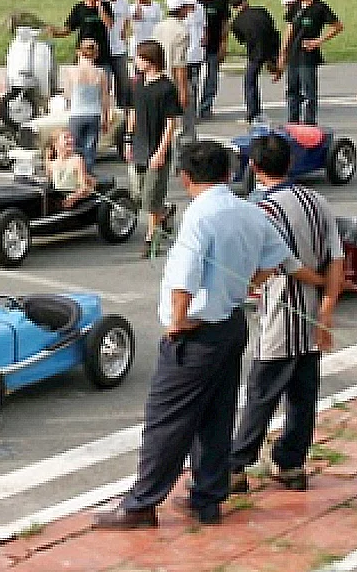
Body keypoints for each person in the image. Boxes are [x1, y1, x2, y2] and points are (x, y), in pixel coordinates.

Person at [93, 141, 297, 529]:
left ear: (185, 177)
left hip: (197, 330)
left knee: (167, 419)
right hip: (231, 323)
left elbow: (185, 275)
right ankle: (207, 498)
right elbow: (277, 258)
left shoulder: (199, 216)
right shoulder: (249, 211)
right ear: (228, 174)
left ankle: (141, 504)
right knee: (216, 417)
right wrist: (244, 287)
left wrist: (179, 321)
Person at [229, 134, 344, 496]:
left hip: (281, 314)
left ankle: (236, 465)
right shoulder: (318, 201)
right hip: (312, 315)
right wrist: (325, 310)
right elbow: (337, 258)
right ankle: (291, 463)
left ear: (256, 167)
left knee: (261, 394)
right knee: (302, 396)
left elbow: (280, 264)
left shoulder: (262, 209)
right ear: (291, 163)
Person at [127, 40, 182, 258]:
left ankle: (151, 239)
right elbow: (133, 112)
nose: (136, 61)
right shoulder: (138, 83)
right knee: (138, 195)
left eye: (139, 58)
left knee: (151, 197)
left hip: (156, 148)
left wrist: (161, 151)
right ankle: (164, 212)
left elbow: (171, 123)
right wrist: (128, 139)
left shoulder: (166, 87)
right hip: (139, 145)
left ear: (151, 60)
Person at [278, 0, 344, 125]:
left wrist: (318, 41)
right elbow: (289, 28)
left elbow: (337, 26)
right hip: (293, 54)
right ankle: (292, 121)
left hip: (308, 56)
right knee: (292, 90)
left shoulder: (319, 7)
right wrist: (283, 52)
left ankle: (309, 122)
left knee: (308, 92)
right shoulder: (295, 6)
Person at [229, 0, 280, 124]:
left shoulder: (236, 23)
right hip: (271, 48)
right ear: (245, 0)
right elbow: (272, 29)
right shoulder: (262, 11)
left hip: (254, 54)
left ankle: (253, 113)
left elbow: (243, 40)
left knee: (250, 82)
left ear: (234, 7)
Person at [48, 0, 116, 76]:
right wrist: (55, 32)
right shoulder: (79, 9)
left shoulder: (106, 6)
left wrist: (100, 8)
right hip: (84, 54)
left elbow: (109, 24)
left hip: (102, 55)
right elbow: (68, 29)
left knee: (104, 84)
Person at [66, 39, 113, 174]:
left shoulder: (71, 71)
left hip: (76, 114)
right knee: (90, 148)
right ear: (96, 54)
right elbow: (105, 97)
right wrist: (106, 117)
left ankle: (77, 176)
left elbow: (67, 94)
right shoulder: (100, 72)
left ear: (79, 52)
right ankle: (87, 174)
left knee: (75, 148)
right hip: (94, 114)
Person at [152, 0, 193, 145]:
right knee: (182, 129)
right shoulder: (181, 31)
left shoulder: (158, 27)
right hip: (174, 82)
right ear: (181, 9)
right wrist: (183, 91)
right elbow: (179, 65)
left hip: (159, 79)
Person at [195, 0, 232, 121]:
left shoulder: (221, 1)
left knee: (211, 78)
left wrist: (224, 44)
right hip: (197, 46)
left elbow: (225, 24)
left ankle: (206, 107)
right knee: (194, 78)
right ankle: (192, 107)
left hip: (214, 44)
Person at [179, 0, 208, 139]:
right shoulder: (182, 11)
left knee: (195, 85)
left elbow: (204, 27)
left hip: (197, 54)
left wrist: (204, 41)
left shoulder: (201, 9)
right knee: (184, 85)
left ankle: (193, 112)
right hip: (184, 56)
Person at [128, 0, 163, 106]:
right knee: (139, 76)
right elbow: (136, 16)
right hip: (139, 47)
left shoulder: (156, 6)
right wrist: (137, 2)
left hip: (153, 46)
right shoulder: (132, 7)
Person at [105, 0, 134, 110]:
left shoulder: (123, 1)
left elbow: (127, 17)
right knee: (106, 82)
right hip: (105, 48)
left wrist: (125, 30)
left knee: (123, 82)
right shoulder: (102, 1)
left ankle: (122, 109)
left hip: (119, 47)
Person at [49, 129, 94, 207]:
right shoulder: (52, 163)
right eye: (66, 138)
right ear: (56, 144)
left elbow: (84, 187)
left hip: (74, 200)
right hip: (59, 199)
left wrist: (73, 197)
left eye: (71, 137)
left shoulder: (77, 159)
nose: (70, 140)